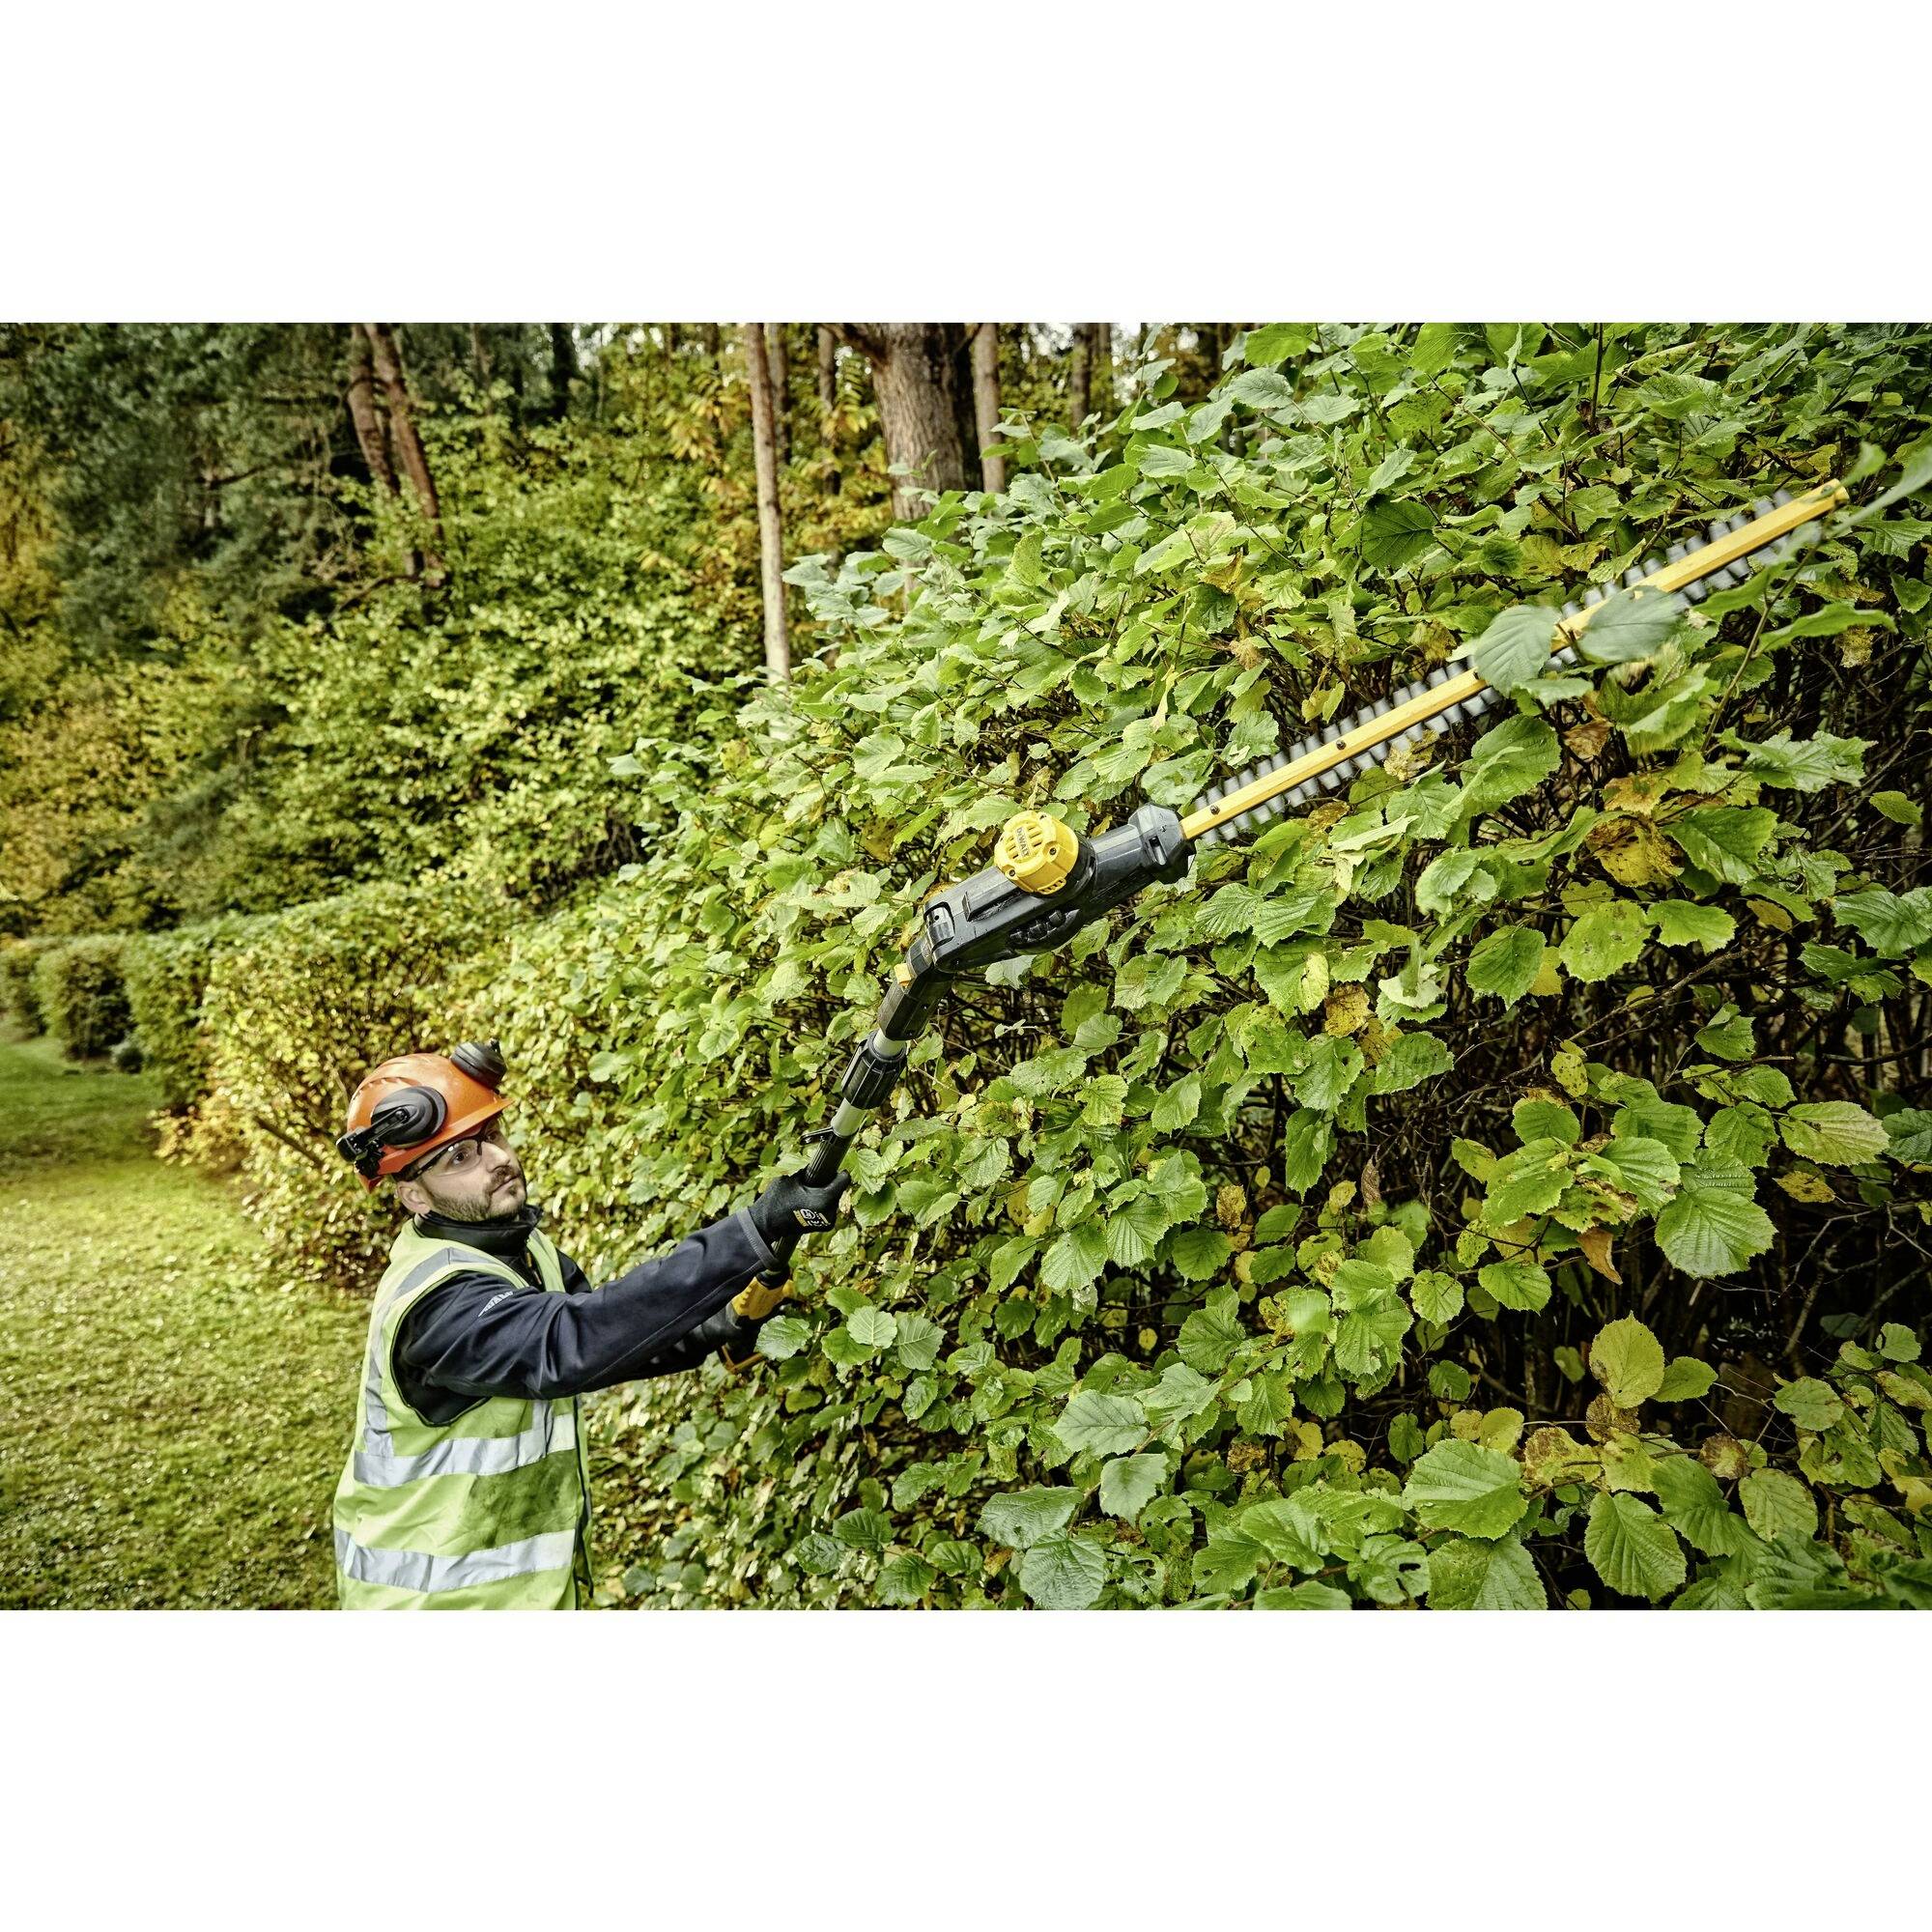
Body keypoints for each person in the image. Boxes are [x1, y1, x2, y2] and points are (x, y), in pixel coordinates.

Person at [327, 1038, 847, 1609]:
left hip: (517, 1596)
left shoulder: (519, 1251)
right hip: (428, 1604)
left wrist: (712, 1327)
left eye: (492, 1134)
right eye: (459, 1158)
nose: (497, 1159)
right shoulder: (436, 1304)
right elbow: (569, 1343)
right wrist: (751, 1232)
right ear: (414, 1196)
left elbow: (609, 1339)